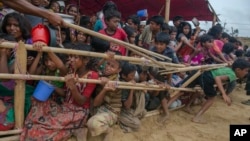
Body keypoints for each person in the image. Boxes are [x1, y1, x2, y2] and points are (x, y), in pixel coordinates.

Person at [173, 59, 249, 124]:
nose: (246, 73)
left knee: (197, 90)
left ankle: (187, 106)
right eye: (246, 71)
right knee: (212, 98)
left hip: (202, 73)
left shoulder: (229, 69)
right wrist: (224, 94)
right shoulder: (232, 75)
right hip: (207, 77)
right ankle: (197, 117)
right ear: (238, 70)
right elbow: (217, 78)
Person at [87, 55, 122, 141]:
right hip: (99, 107)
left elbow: (96, 103)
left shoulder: (115, 83)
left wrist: (105, 89)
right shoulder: (104, 74)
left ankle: (108, 131)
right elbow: (92, 67)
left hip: (111, 111)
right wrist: (104, 58)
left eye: (112, 66)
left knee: (93, 124)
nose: (108, 67)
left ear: (119, 70)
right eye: (108, 64)